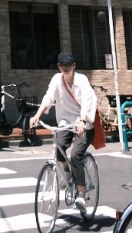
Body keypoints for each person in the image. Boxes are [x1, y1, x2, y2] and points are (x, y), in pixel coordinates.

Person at [29, 50, 97, 213]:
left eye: (69, 65)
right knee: (59, 150)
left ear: (74, 66)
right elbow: (48, 98)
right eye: (62, 65)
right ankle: (68, 179)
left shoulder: (82, 80)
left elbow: (87, 101)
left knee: (76, 156)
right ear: (59, 66)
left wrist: (82, 120)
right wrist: (37, 115)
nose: (66, 68)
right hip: (66, 123)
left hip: (84, 123)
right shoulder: (56, 80)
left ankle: (81, 195)